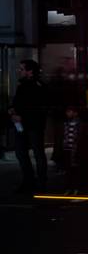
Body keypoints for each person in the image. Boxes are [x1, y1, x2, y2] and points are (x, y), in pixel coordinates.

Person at [10, 60, 50, 194]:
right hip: (22, 124)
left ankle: (40, 182)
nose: (19, 71)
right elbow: (17, 102)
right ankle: (30, 181)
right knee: (21, 153)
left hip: (34, 125)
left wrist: (21, 115)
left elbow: (38, 108)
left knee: (37, 153)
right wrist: (12, 110)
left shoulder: (38, 87)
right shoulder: (22, 86)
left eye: (22, 69)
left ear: (30, 71)